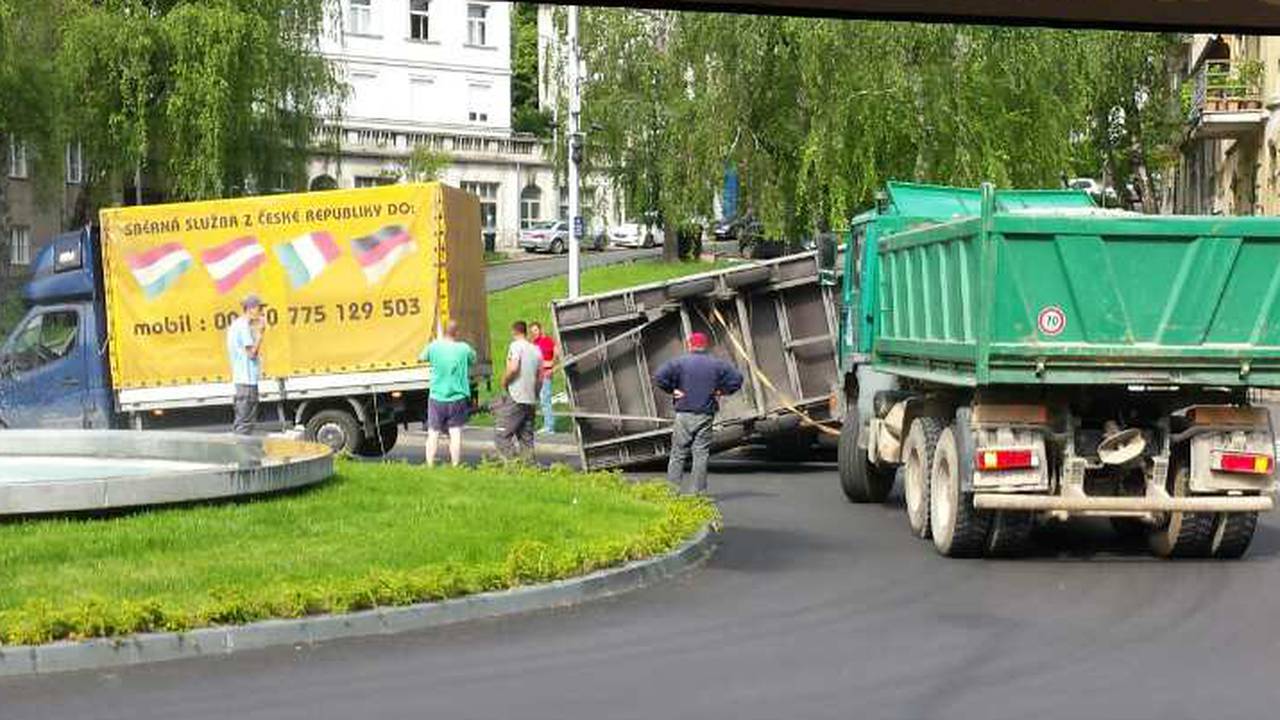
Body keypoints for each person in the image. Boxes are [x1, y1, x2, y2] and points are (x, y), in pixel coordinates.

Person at [653, 332, 744, 494]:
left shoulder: (679, 363)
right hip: (705, 413)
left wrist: (672, 390)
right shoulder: (717, 364)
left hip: (685, 413)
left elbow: (659, 376)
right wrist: (721, 391)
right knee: (701, 454)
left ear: (690, 345)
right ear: (705, 345)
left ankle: (672, 493)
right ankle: (697, 493)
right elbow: (737, 379)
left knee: (678, 454)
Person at [418, 319, 476, 467]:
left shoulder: (434, 347)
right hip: (457, 397)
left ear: (444, 331)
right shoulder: (464, 348)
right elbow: (473, 359)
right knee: (455, 432)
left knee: (433, 433)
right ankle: (455, 464)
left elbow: (421, 358)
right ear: (457, 332)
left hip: (437, 396)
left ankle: (429, 464)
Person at [494, 320, 543, 461]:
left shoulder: (516, 346)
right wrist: (536, 394)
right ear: (525, 332)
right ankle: (529, 467)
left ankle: (512, 464)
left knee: (502, 434)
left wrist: (504, 381)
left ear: (514, 331)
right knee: (526, 437)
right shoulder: (536, 350)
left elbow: (514, 367)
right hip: (530, 399)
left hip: (516, 397)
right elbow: (540, 377)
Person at [227, 294, 266, 435]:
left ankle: (241, 455)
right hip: (247, 382)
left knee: (242, 424)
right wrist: (260, 334)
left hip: (242, 382)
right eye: (259, 308)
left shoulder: (237, 325)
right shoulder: (243, 326)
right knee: (245, 425)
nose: (262, 312)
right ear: (250, 309)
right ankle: (243, 456)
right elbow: (251, 353)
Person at [529, 321, 559, 434]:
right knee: (540, 400)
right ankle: (545, 424)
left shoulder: (547, 340)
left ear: (540, 329)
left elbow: (556, 353)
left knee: (545, 399)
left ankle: (549, 426)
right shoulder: (534, 343)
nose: (534, 333)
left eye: (536, 330)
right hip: (537, 375)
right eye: (532, 332)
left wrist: (551, 365)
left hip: (546, 374)